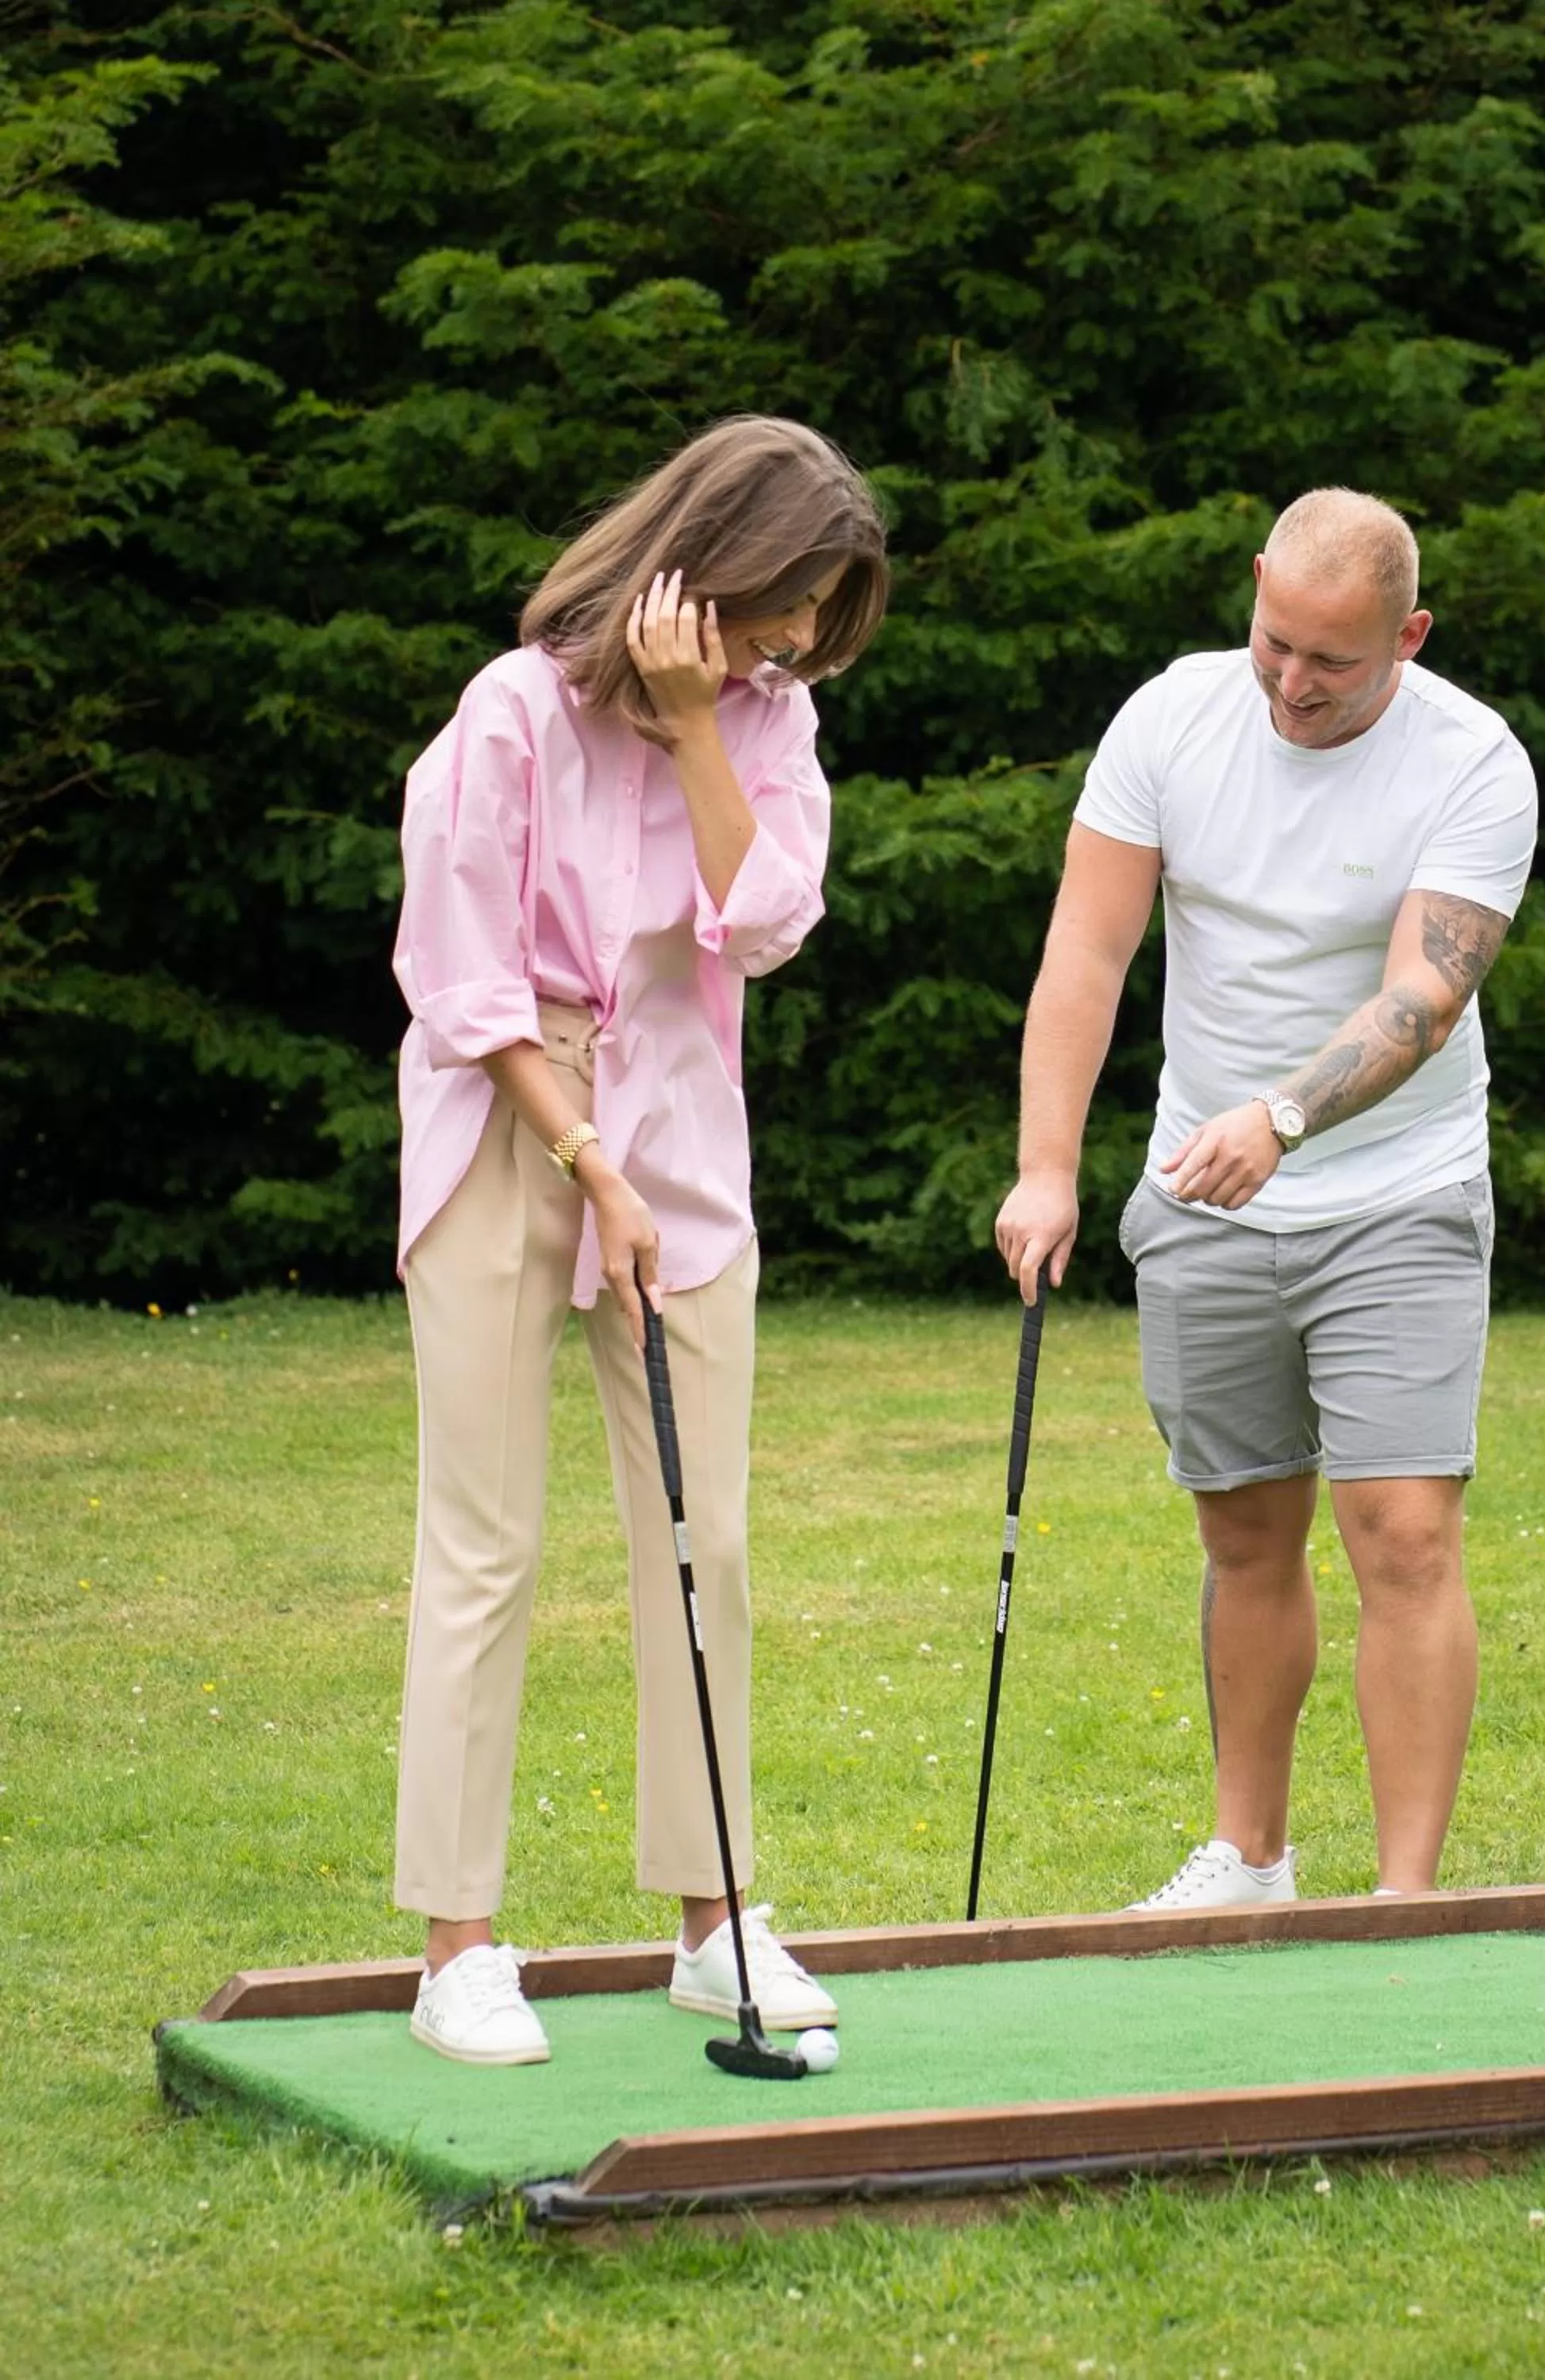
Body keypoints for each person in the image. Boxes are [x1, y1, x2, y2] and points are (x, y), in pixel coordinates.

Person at [390, 416, 887, 2062]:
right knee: (487, 1543)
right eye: (784, 600)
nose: (799, 637)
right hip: (506, 1125)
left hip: (683, 1140)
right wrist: (585, 1160)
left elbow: (768, 924)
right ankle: (458, 1948)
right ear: (707, 555)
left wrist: (698, 727)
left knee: (707, 1538)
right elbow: (459, 980)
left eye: (820, 610)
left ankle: (713, 1920)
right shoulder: (509, 715)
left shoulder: (765, 719)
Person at [995, 488, 1536, 1907]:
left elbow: (1427, 993)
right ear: (1253, 593)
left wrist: (1288, 1118)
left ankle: (1404, 1901)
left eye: (1334, 661)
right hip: (1205, 1186)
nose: (1293, 683)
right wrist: (1047, 1166)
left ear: (1407, 638)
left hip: (1397, 1186)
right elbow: (1088, 952)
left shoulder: (1474, 759)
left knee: (1404, 1534)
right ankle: (1250, 1856)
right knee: (1244, 1534)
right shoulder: (1171, 721)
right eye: (1275, 642)